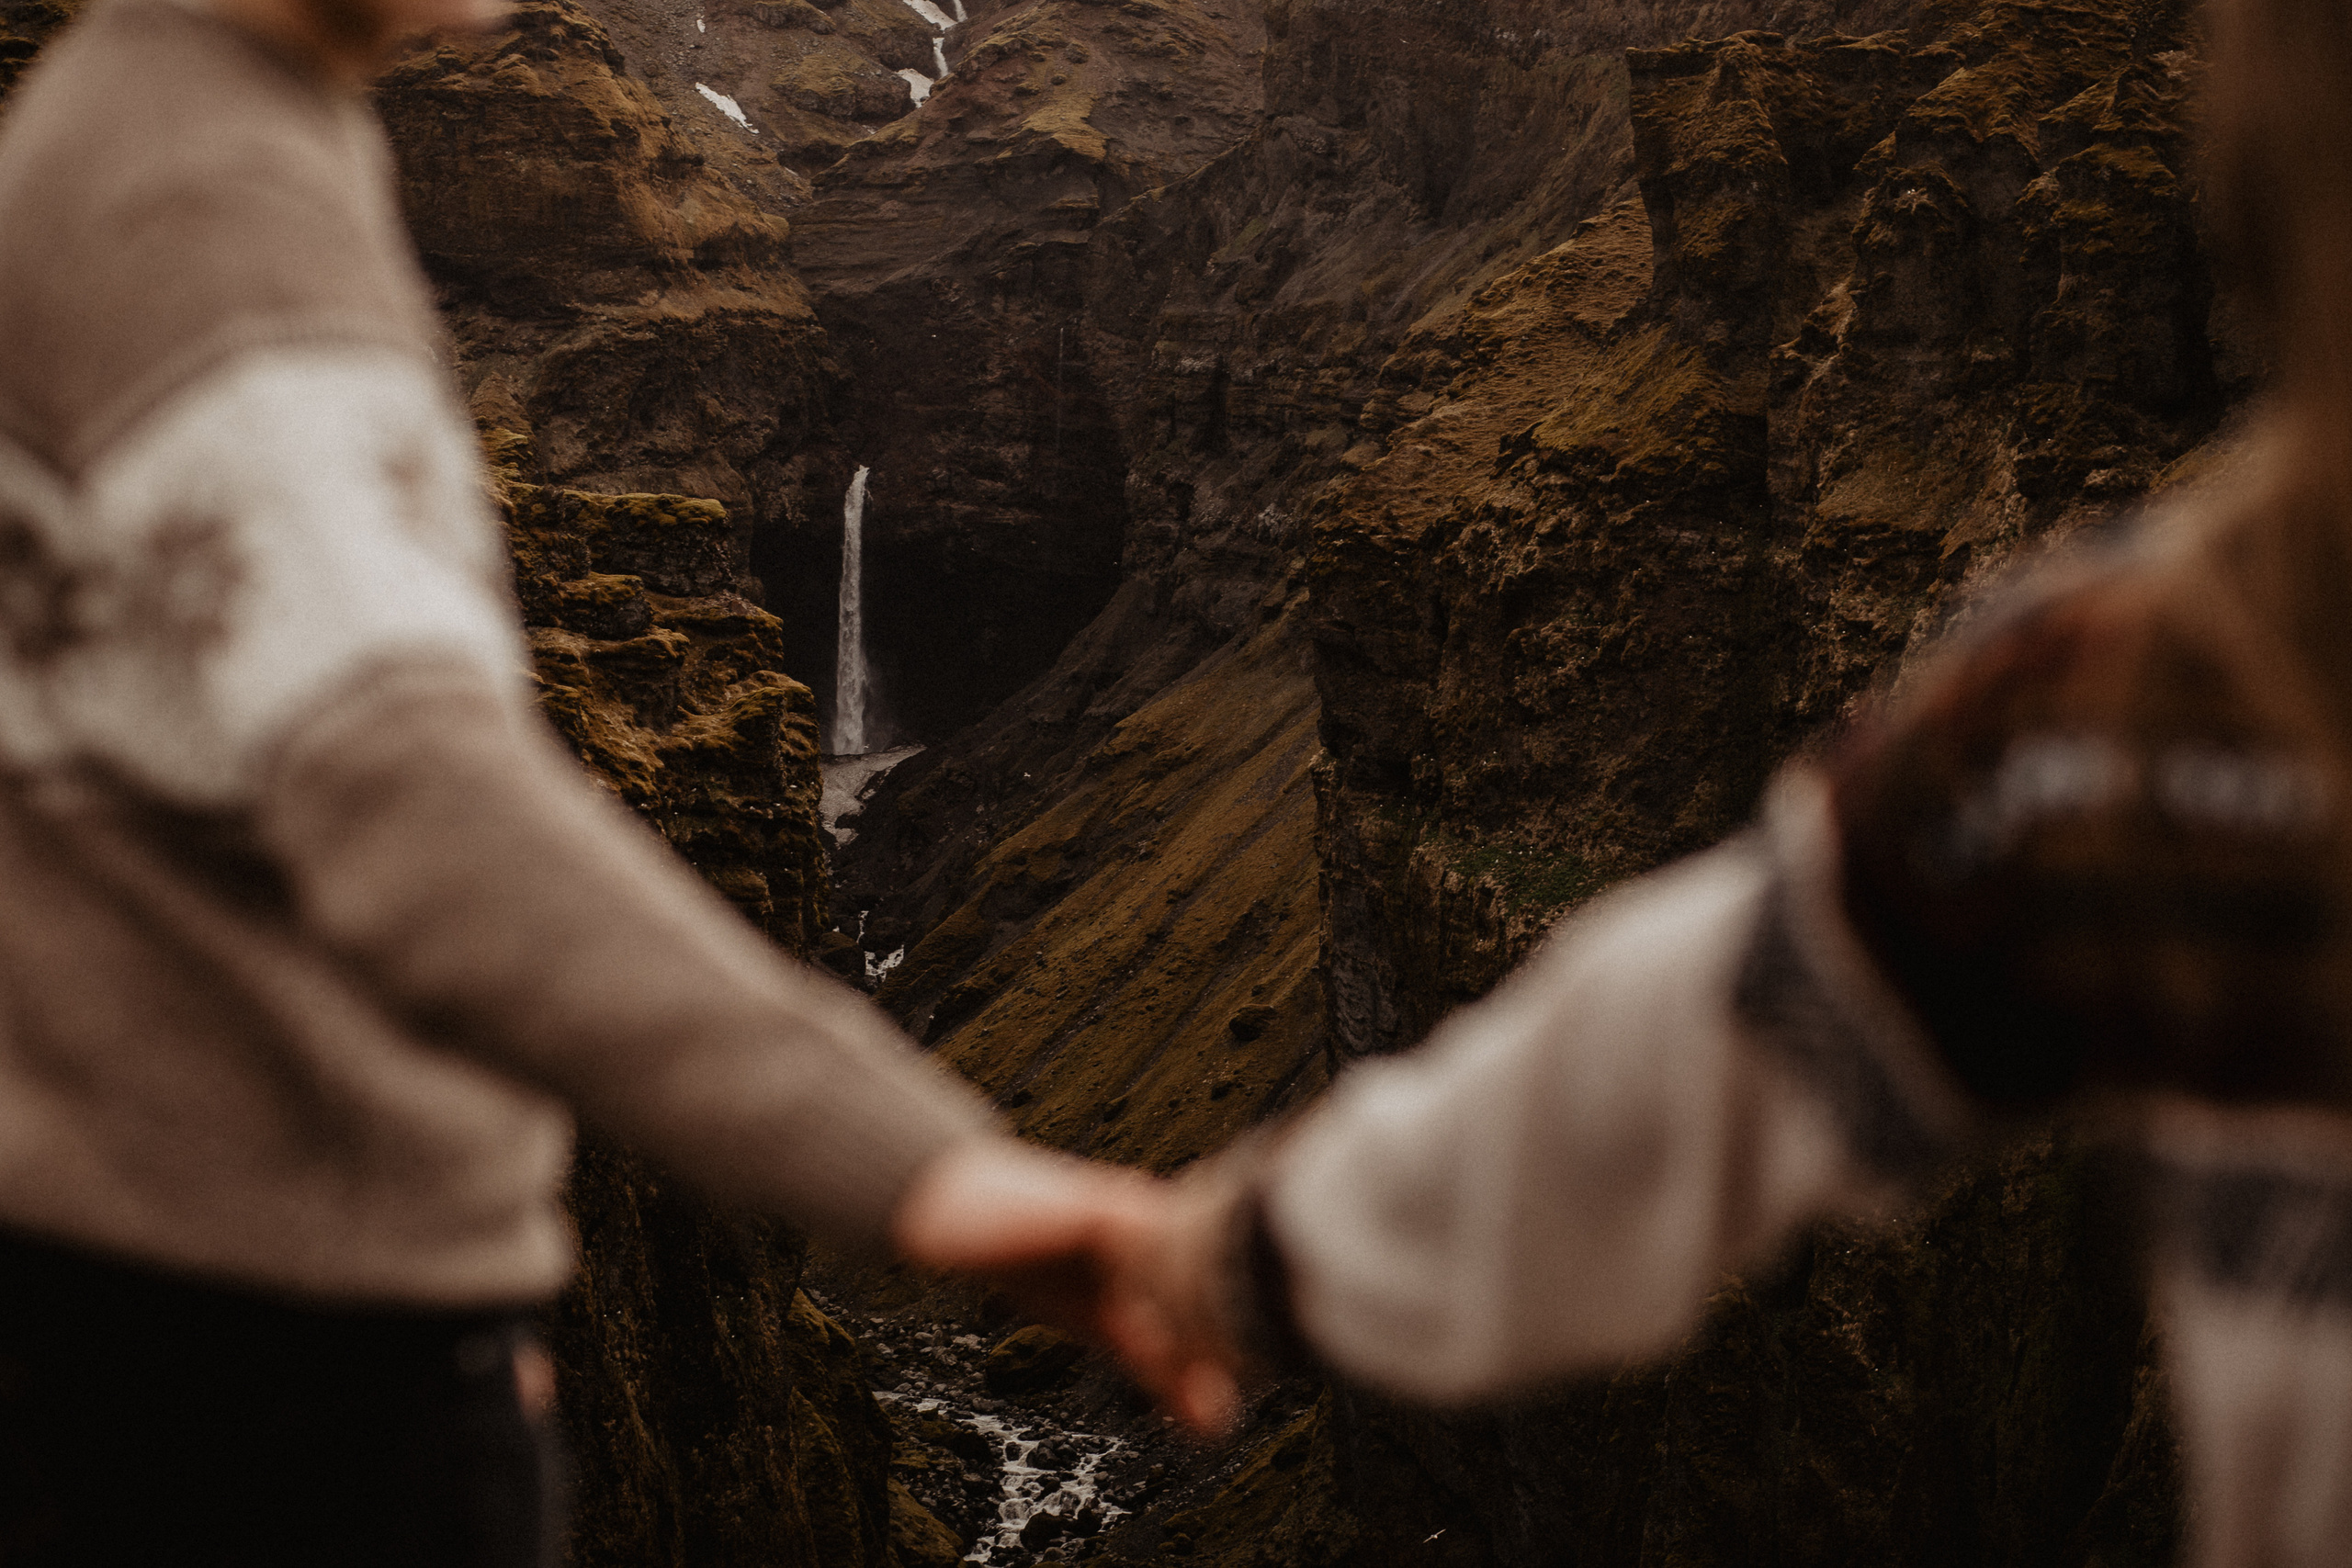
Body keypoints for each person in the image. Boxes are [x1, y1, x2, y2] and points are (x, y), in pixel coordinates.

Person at [1028, 0, 2352, 1560]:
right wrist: (1233, 1259)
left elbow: (1679, 1063)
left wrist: (1214, 1262)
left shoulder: (2176, 683)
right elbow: (1676, 1054)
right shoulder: (2173, 693)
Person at [0, 0, 1204, 1559]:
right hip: (263, 1354)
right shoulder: (207, 190)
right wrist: (922, 1171)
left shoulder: (161, 129)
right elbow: (406, 791)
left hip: (182, 1287)